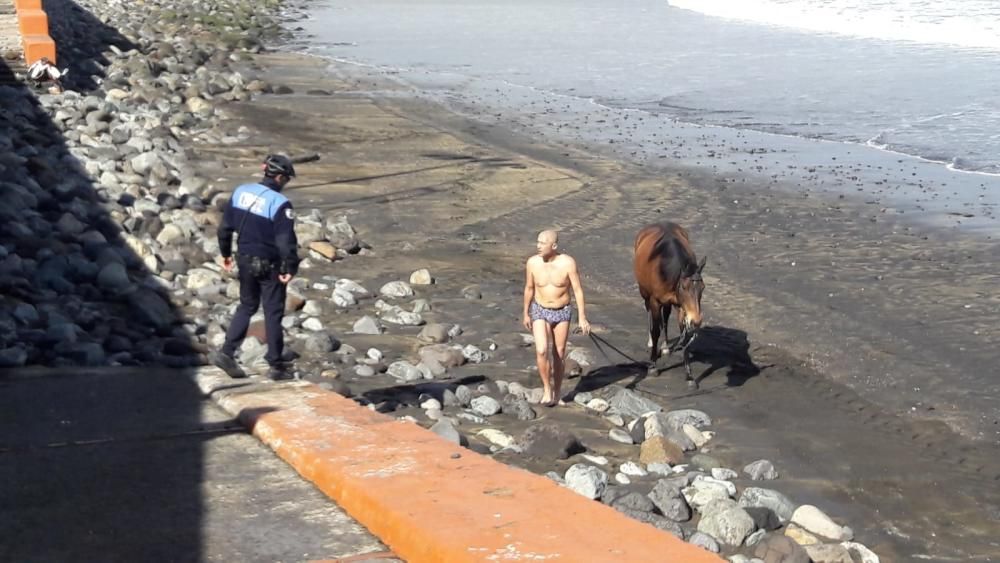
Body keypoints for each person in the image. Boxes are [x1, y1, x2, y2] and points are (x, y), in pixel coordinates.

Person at [212, 154, 300, 380]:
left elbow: (224, 229)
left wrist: (225, 254)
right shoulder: (280, 204)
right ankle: (275, 365)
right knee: (272, 312)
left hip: (244, 258)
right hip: (269, 263)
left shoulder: (241, 191)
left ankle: (227, 352)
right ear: (280, 177)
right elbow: (285, 242)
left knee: (246, 306)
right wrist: (289, 267)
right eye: (286, 180)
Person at [522, 229, 591, 406]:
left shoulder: (568, 263)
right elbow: (529, 288)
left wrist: (582, 317)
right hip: (540, 309)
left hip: (562, 311)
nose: (538, 246)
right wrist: (525, 312)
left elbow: (577, 290)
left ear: (554, 245)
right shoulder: (533, 263)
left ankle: (558, 392)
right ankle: (547, 389)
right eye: (537, 242)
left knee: (559, 354)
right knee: (541, 350)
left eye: (542, 243)